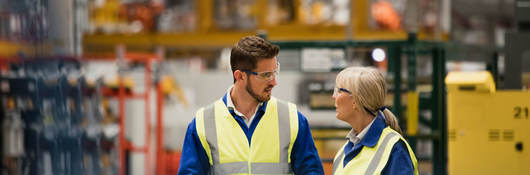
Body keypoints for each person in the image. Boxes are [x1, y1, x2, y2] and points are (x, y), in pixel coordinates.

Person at [178, 36, 324, 175]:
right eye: (266, 75)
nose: (274, 82)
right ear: (240, 76)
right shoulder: (203, 123)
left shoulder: (292, 119)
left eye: (275, 72)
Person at [331, 67, 418, 175]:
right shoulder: (343, 152)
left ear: (355, 100)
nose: (333, 96)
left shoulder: (395, 149)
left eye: (339, 91)